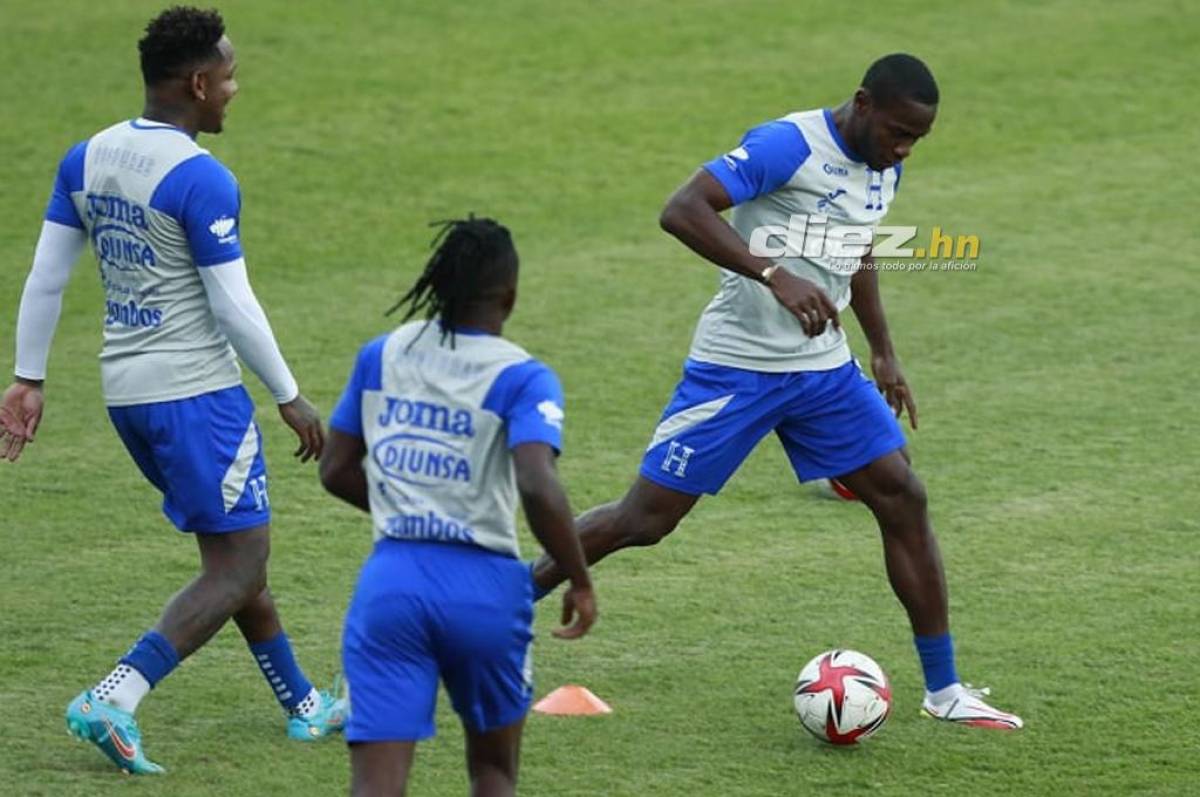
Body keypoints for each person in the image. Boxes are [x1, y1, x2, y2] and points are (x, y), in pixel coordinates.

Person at [531, 54, 1023, 730]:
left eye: (917, 139)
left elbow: (857, 247)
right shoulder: (787, 145)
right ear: (863, 103)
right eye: (899, 131)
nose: (904, 148)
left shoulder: (884, 165)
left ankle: (944, 690)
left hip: (823, 370)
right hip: (737, 367)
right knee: (645, 520)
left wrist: (881, 346)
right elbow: (681, 209)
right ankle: (499, 602)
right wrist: (772, 273)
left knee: (901, 493)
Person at [0, 7, 347, 774]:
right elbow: (233, 304)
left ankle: (303, 704)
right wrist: (289, 395)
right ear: (196, 82)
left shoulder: (85, 157)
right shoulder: (200, 178)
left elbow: (47, 277)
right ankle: (116, 695)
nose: (233, 88)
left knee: (235, 550)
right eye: (227, 76)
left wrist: (28, 377)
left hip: (127, 393)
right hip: (197, 393)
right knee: (239, 560)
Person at [319, 217, 597, 796]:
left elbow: (337, 469)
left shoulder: (382, 355)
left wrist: (406, 510)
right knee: (492, 771)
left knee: (376, 784)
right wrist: (577, 577)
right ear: (511, 296)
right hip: (486, 589)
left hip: (392, 584)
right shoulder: (523, 377)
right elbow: (537, 484)